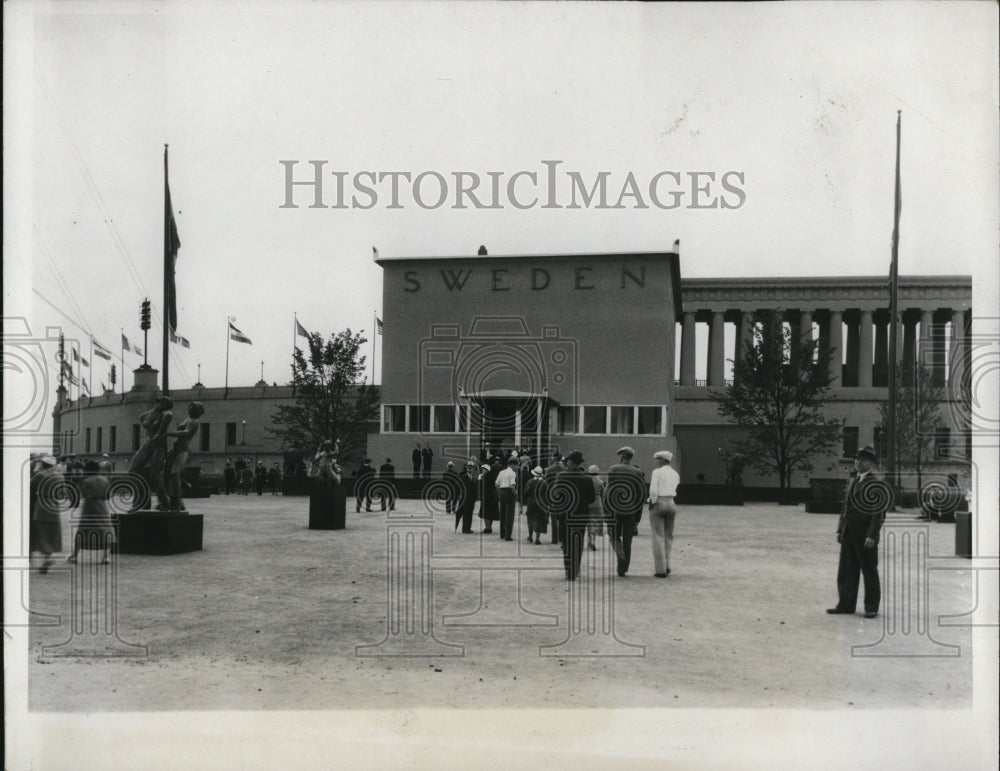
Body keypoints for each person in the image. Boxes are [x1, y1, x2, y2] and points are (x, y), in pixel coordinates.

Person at [828, 446, 887, 619]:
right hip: (849, 532)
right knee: (847, 570)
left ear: (871, 463)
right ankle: (845, 605)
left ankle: (871, 607)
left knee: (869, 571)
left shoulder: (877, 483)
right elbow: (845, 508)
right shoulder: (853, 481)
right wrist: (840, 529)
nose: (858, 462)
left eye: (862, 460)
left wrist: (872, 535)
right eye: (856, 459)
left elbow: (878, 513)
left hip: (865, 535)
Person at [551, 451, 595, 580]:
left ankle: (568, 570)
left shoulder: (562, 476)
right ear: (579, 462)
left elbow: (557, 496)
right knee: (578, 542)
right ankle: (575, 569)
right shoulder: (587, 478)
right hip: (581, 515)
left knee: (566, 543)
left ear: (570, 462)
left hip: (566, 515)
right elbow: (591, 498)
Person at [606, 446, 646, 577]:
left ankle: (620, 555)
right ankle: (623, 569)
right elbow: (641, 496)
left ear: (622, 456)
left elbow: (608, 491)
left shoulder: (614, 469)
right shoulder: (638, 472)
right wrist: (637, 519)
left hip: (615, 509)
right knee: (628, 540)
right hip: (631, 510)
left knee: (613, 536)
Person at [128, 396, 174, 510]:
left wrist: (153, 439)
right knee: (133, 470)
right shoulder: (148, 415)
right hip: (148, 444)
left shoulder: (166, 415)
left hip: (159, 446)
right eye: (161, 403)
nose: (161, 406)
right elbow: (144, 421)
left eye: (164, 405)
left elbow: (160, 432)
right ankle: (142, 500)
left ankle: (165, 501)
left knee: (155, 473)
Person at [68, 460, 115, 565]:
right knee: (105, 531)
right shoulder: (105, 480)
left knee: (83, 531)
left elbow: (84, 494)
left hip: (89, 507)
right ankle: (106, 557)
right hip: (102, 507)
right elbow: (108, 496)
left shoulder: (86, 481)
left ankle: (74, 556)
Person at [162, 401, 205, 511]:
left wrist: (170, 433)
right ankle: (175, 500)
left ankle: (176, 502)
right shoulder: (188, 419)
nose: (190, 409)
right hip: (176, 449)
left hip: (183, 450)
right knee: (166, 473)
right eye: (190, 407)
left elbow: (186, 433)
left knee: (174, 473)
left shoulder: (194, 421)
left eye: (193, 408)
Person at [647, 450, 680, 577]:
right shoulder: (675, 474)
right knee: (668, 536)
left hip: (659, 502)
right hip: (671, 503)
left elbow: (653, 489)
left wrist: (652, 502)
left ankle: (660, 570)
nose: (657, 461)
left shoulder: (657, 472)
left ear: (662, 460)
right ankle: (667, 565)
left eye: (658, 459)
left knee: (657, 536)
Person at [30, 455, 64, 573]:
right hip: (54, 505)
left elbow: (30, 487)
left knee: (40, 533)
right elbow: (61, 493)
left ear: (43, 464)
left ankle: (40, 559)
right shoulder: (59, 476)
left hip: (41, 505)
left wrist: (35, 471)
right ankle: (47, 558)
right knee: (51, 533)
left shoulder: (40, 475)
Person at [542, 455, 565, 544]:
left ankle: (554, 538)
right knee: (562, 517)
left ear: (554, 458)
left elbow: (545, 481)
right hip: (563, 493)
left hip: (552, 493)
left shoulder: (549, 469)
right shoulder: (564, 468)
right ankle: (561, 537)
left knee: (554, 517)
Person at [495, 456, 518, 541]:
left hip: (502, 492)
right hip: (509, 493)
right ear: (512, 465)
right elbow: (512, 485)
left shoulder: (501, 472)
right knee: (509, 515)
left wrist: (499, 493)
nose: (517, 467)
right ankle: (508, 536)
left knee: (503, 514)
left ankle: (502, 534)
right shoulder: (513, 473)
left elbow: (496, 484)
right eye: (516, 465)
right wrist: (515, 493)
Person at [524, 465, 547, 544]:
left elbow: (526, 493)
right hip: (541, 502)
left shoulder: (530, 482)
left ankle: (530, 536)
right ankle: (537, 538)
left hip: (531, 501)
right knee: (539, 520)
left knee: (530, 519)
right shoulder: (544, 482)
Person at [585, 465, 605, 552]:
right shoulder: (600, 482)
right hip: (598, 504)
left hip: (588, 504)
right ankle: (593, 542)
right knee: (595, 524)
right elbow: (603, 495)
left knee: (589, 524)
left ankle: (589, 542)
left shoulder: (586, 481)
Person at [479, 461, 500, 534]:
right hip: (493, 497)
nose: (482, 470)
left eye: (483, 469)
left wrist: (480, 478)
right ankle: (489, 527)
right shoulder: (492, 476)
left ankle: (487, 528)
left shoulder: (485, 477)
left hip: (487, 497)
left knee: (486, 513)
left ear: (486, 470)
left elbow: (482, 487)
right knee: (491, 513)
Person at [458, 462, 478, 534]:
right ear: (466, 468)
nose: (470, 469)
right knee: (466, 513)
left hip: (472, 499)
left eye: (471, 468)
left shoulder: (474, 477)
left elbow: (475, 488)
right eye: (468, 468)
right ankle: (465, 529)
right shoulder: (463, 477)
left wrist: (475, 497)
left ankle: (468, 528)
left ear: (472, 469)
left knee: (470, 513)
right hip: (465, 498)